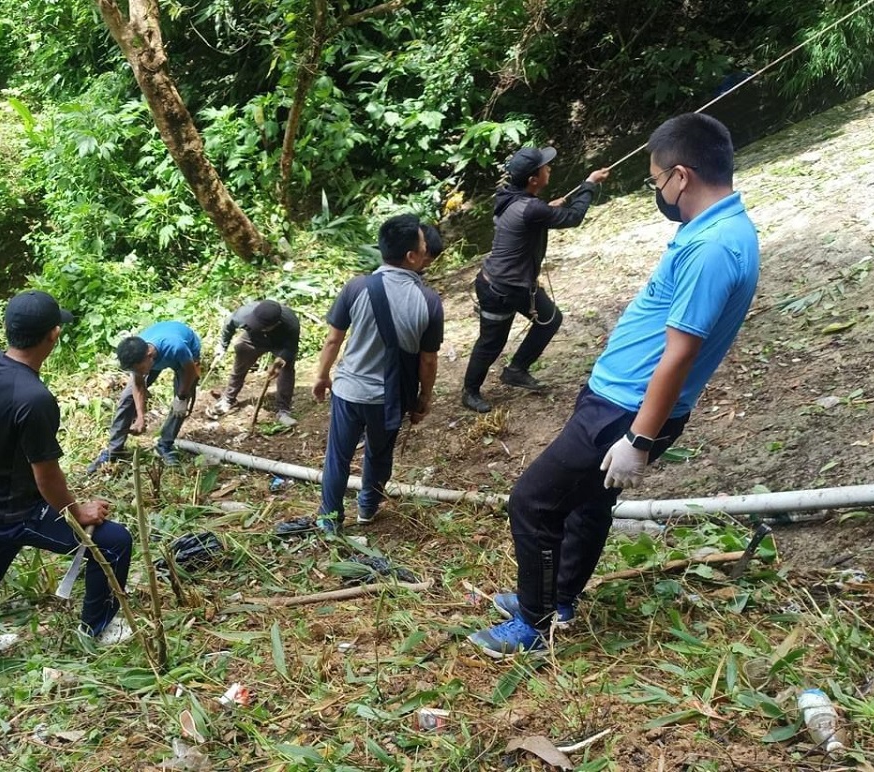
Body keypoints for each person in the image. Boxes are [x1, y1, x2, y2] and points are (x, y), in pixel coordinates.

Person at [468, 113, 760, 657]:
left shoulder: (714, 247)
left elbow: (680, 352)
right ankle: (556, 599)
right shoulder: (717, 230)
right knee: (586, 507)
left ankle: (533, 625)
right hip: (618, 400)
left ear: (681, 176)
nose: (658, 191)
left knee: (532, 502)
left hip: (624, 411)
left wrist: (640, 440)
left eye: (655, 181)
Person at [0, 290, 133, 656]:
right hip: (18, 511)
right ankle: (97, 629)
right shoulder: (35, 399)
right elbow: (46, 476)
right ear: (53, 335)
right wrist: (79, 513)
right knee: (113, 541)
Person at [313, 214, 444, 533]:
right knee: (379, 454)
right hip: (391, 397)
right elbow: (428, 361)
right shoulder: (429, 301)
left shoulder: (357, 286)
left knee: (337, 457)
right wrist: (424, 397)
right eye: (424, 245)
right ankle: (367, 509)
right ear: (412, 257)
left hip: (349, 391)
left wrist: (321, 375)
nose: (427, 250)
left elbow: (333, 339)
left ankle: (330, 520)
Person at [461, 148, 610, 413]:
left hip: (513, 284)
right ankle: (470, 391)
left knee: (550, 319)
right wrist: (589, 184)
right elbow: (573, 218)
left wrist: (546, 209)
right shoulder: (530, 208)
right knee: (491, 342)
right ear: (533, 179)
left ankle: (516, 369)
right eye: (545, 167)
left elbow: (530, 216)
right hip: (500, 288)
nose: (549, 168)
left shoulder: (511, 197)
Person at [87, 321, 201, 471]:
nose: (139, 373)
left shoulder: (176, 347)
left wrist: (181, 396)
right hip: (158, 351)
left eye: (140, 369)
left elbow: (191, 371)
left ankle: (165, 445)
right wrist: (141, 417)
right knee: (127, 398)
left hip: (187, 355)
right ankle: (114, 450)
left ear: (149, 356)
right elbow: (139, 385)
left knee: (180, 404)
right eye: (135, 370)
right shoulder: (136, 354)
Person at [206, 300, 301, 427]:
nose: (256, 324)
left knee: (286, 368)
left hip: (280, 343)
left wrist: (280, 360)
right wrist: (222, 347)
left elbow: (291, 349)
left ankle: (283, 411)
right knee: (241, 352)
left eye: (261, 325)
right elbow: (229, 324)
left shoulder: (291, 324)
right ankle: (228, 399)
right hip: (254, 339)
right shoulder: (244, 314)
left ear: (275, 324)